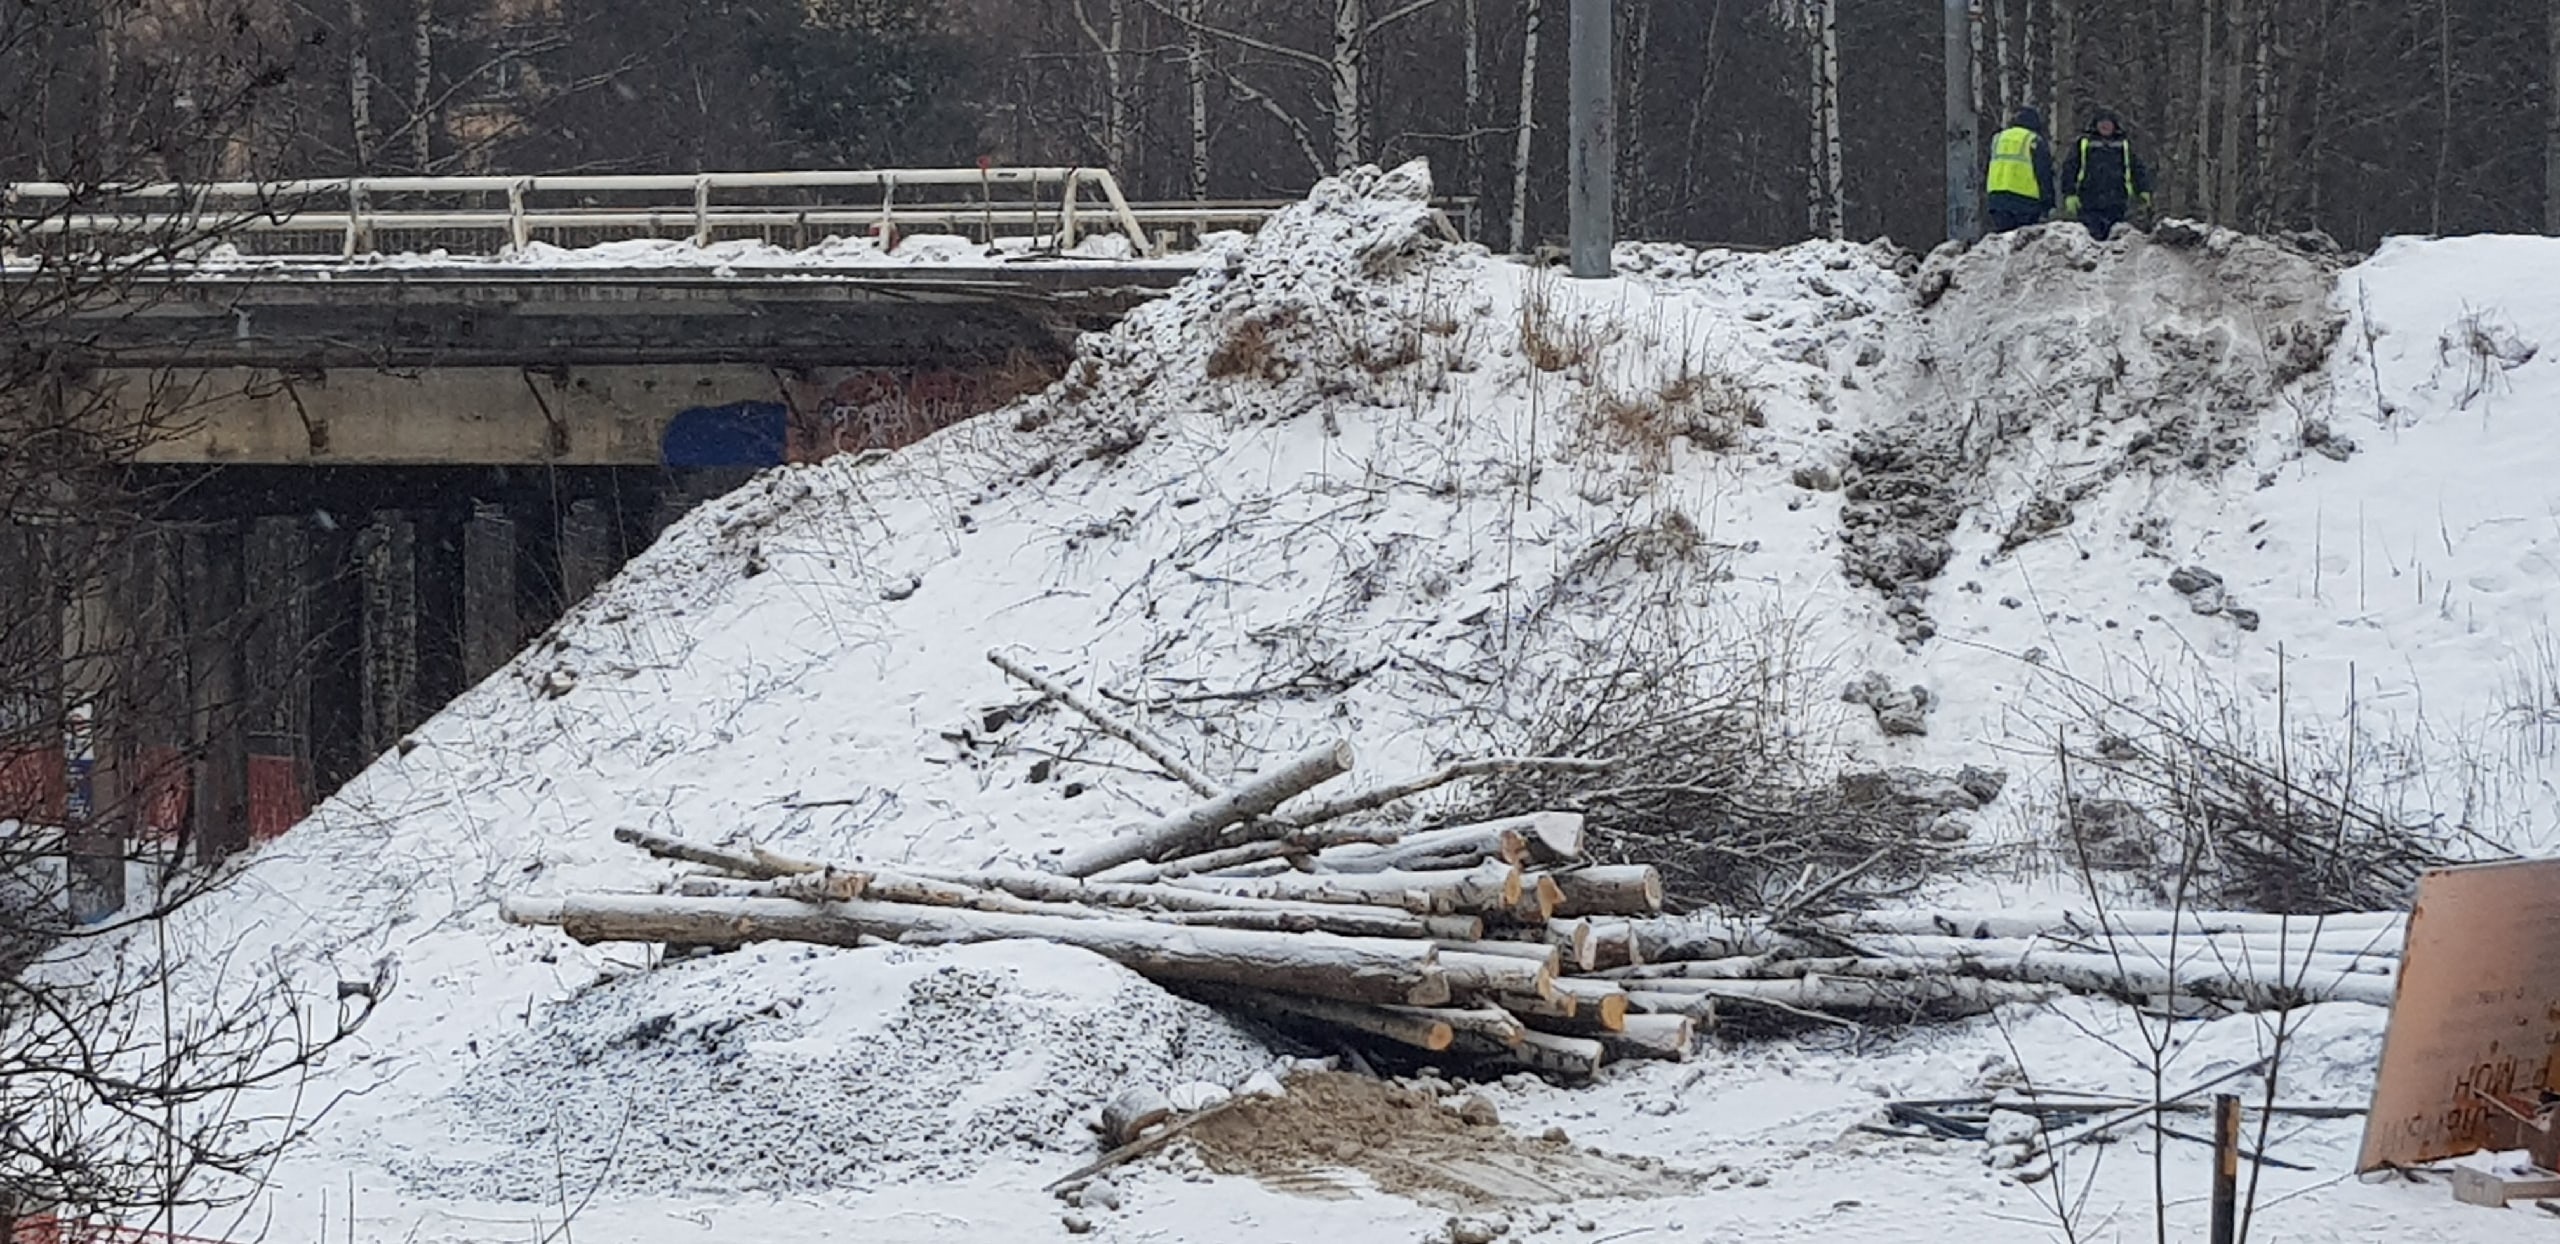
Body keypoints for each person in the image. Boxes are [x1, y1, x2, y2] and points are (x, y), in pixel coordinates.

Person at [2059, 110, 2155, 240]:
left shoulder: (2124, 145)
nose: (2105, 127)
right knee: (2091, 239)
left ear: (2114, 125)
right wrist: (2069, 193)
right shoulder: (2084, 143)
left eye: (2108, 123)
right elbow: (2070, 168)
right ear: (2096, 125)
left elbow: (2137, 168)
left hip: (2117, 201)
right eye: (2102, 123)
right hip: (2088, 201)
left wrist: (2143, 190)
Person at [1983, 107, 2057, 233]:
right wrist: (2048, 203)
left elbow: (1987, 167)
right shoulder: (2033, 140)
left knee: (2003, 241)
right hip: (2026, 201)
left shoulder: (1998, 138)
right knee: (2024, 244)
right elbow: (2043, 173)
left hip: (1997, 198)